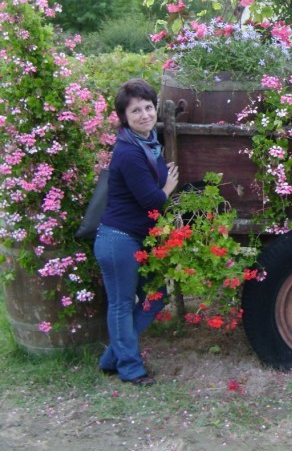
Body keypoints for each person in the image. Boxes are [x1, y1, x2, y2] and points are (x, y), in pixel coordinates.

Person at [94, 79, 179, 386]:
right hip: (118, 239)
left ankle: (112, 358)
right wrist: (167, 188)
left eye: (148, 107)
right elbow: (151, 200)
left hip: (136, 238)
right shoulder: (129, 152)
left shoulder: (148, 142)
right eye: (136, 111)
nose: (145, 115)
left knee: (156, 297)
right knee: (121, 304)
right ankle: (130, 369)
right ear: (124, 117)